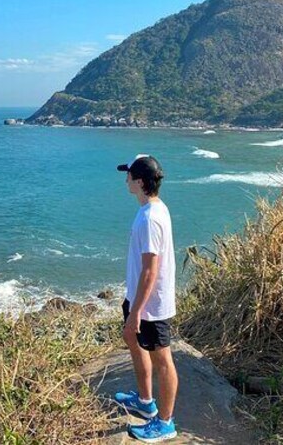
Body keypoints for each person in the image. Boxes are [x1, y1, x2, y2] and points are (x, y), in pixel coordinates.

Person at [114, 154, 178, 443]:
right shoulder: (153, 208)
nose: (125, 178)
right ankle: (144, 400)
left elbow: (151, 272)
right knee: (133, 340)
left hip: (151, 305)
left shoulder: (150, 218)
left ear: (139, 182)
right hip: (139, 298)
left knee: (162, 359)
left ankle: (164, 423)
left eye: (128, 174)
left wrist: (136, 311)